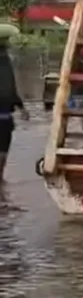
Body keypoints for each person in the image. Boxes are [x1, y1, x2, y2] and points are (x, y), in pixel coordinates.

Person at [0, 25, 28, 181]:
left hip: (4, 115)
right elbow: (10, 88)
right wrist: (21, 107)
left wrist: (22, 107)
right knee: (3, 152)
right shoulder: (5, 63)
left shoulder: (5, 63)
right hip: (5, 116)